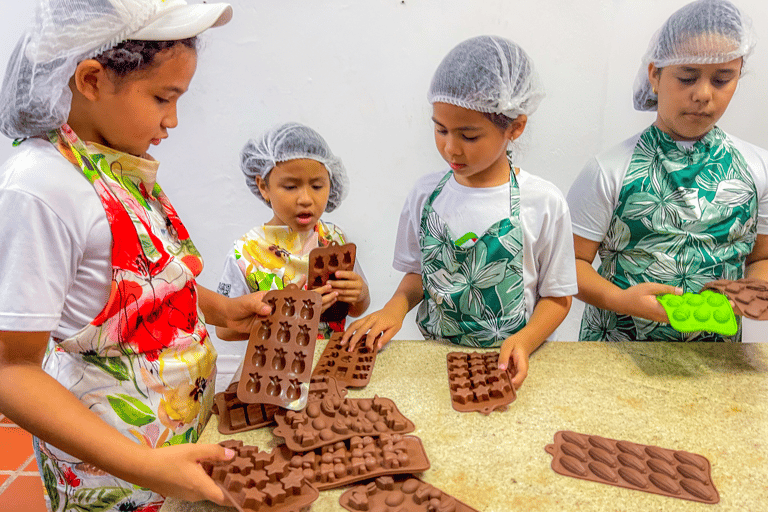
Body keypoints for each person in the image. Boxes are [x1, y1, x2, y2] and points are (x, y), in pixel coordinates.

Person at [0, 1, 274, 510]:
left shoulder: (117, 166)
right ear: (90, 79)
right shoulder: (41, 190)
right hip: (115, 470)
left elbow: (146, 284)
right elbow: (10, 370)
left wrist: (220, 309)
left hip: (177, 446)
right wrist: (147, 465)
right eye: (162, 97)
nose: (172, 119)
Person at [342, 36, 577, 389]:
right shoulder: (426, 195)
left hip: (512, 365)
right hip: (434, 363)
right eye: (440, 130)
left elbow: (558, 298)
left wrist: (525, 341)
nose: (450, 148)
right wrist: (394, 307)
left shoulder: (543, 202)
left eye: (468, 135)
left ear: (515, 127)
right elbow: (418, 277)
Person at [567, 0, 768, 342]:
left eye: (722, 80)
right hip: (617, 355)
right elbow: (570, 263)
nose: (703, 94)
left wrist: (755, 290)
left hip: (716, 362)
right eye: (687, 77)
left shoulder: (757, 169)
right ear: (655, 75)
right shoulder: (610, 170)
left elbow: (761, 256)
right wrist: (618, 299)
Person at [216, 122, 370, 343]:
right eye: (290, 187)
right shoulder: (246, 253)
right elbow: (224, 330)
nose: (306, 199)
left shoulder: (335, 240)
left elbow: (354, 309)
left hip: (328, 365)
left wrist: (362, 294)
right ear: (263, 186)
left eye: (317, 186)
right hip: (275, 370)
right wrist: (283, 316)